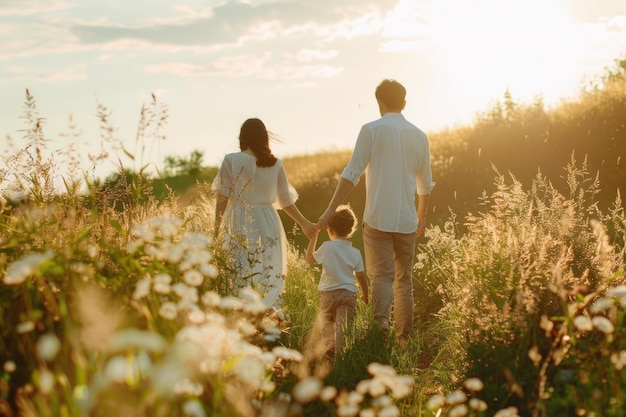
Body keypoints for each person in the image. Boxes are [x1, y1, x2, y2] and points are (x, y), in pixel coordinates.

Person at [318, 79, 435, 345]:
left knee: (381, 276)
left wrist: (331, 208)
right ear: (404, 104)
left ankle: (381, 324)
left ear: (379, 103)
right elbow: (425, 184)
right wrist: (422, 215)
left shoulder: (370, 130)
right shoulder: (419, 136)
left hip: (377, 218)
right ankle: (403, 338)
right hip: (407, 219)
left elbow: (351, 175)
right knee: (404, 280)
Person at [212, 118, 317, 309]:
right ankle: (269, 317)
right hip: (269, 221)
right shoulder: (275, 164)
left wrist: (215, 231)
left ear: (243, 138)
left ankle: (242, 314)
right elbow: (286, 202)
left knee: (240, 267)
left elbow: (222, 199)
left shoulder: (231, 160)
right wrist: (304, 222)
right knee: (269, 267)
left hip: (239, 219)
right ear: (264, 138)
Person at [306, 204, 368, 358]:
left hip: (329, 294)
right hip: (348, 294)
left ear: (330, 230)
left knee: (326, 320)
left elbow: (309, 259)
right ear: (350, 231)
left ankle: (330, 343)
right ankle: (341, 354)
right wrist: (365, 295)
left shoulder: (327, 247)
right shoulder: (355, 252)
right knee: (343, 324)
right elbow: (361, 276)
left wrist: (314, 237)